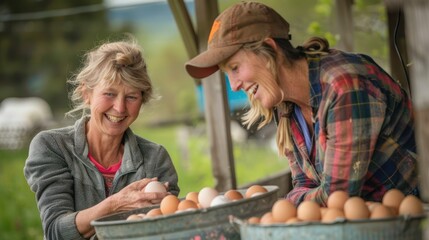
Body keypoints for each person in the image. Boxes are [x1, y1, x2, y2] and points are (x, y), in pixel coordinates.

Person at [185, 1, 419, 206]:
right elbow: (304, 182)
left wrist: (283, 203)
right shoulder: (285, 103)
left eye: (235, 68)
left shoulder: (344, 85)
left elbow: (338, 196)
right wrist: (292, 201)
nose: (234, 85)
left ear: (270, 49)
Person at [24, 37, 180, 239]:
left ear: (142, 100)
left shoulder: (155, 158)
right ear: (86, 93)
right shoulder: (51, 146)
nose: (120, 108)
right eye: (109, 93)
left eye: (131, 96)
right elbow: (56, 231)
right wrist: (116, 205)